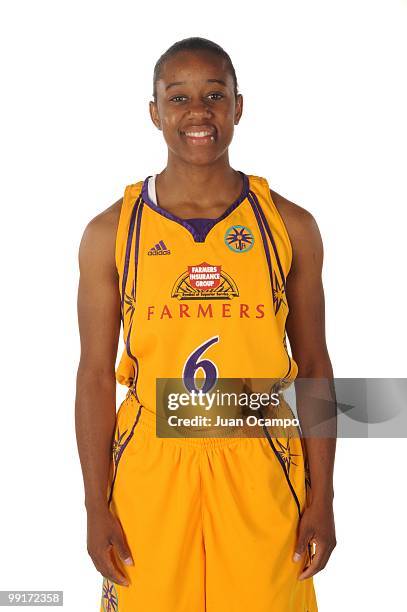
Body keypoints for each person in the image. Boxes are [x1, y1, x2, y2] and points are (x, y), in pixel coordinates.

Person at [75, 36, 336, 612]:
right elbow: (94, 374)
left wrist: (323, 498)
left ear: (238, 107)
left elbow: (314, 365)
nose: (198, 112)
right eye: (179, 97)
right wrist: (96, 506)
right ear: (155, 112)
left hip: (261, 460)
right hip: (150, 469)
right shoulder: (111, 232)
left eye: (215, 95)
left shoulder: (288, 226)